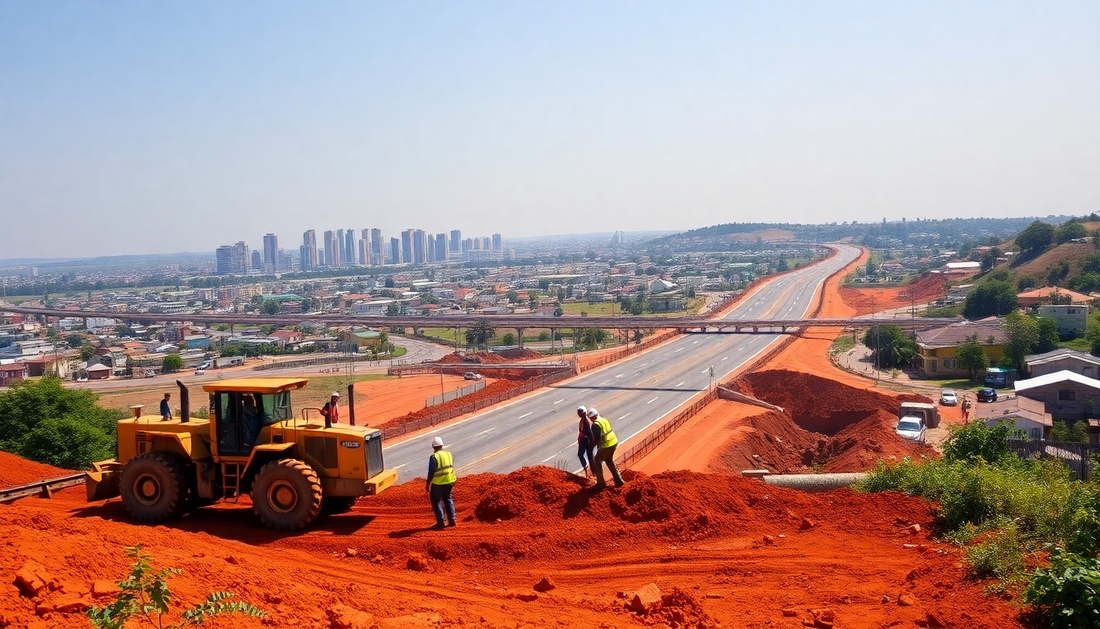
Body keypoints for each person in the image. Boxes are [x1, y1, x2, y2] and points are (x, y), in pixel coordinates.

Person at [587, 408, 624, 489]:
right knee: (609, 461)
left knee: (597, 461)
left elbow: (597, 438)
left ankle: (601, 483)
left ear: (592, 417)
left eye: (590, 418)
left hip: (606, 445)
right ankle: (619, 481)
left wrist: (591, 446)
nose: (590, 420)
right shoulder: (604, 420)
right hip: (613, 442)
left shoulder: (596, 424)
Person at [425, 436, 456, 529]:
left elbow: (431, 472)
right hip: (450, 480)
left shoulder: (434, 457)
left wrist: (427, 484)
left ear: (433, 447)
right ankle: (452, 520)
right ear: (442, 445)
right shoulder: (448, 454)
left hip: (439, 483)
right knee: (448, 499)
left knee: (436, 501)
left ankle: (441, 522)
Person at [576, 405, 595, 478]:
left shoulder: (586, 422)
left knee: (581, 454)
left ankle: (587, 468)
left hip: (585, 440)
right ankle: (593, 472)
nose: (581, 415)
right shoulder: (584, 421)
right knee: (590, 456)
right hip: (586, 440)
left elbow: (587, 433)